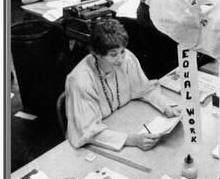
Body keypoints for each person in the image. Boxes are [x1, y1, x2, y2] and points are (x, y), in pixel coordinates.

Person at [65, 18, 181, 149]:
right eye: (113, 55)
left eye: (122, 51)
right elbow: (88, 131)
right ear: (96, 54)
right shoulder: (81, 79)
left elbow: (144, 89)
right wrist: (132, 140)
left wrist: (166, 107)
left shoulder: (127, 58)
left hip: (121, 122)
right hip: (93, 142)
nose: (120, 59)